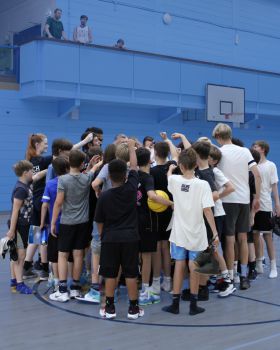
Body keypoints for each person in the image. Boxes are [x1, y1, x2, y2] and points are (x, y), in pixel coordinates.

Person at [162, 148, 219, 315]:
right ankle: (193, 305)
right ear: (196, 165)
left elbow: (169, 178)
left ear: (180, 165)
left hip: (178, 232)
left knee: (179, 264)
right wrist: (215, 233)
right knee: (195, 266)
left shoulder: (174, 180)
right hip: (197, 233)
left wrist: (171, 170)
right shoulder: (203, 185)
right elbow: (207, 210)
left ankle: (175, 304)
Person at [95, 139, 144, 320]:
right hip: (131, 238)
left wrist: (102, 234)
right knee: (131, 274)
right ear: (125, 175)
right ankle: (133, 308)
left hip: (110, 239)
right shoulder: (131, 189)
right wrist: (131, 147)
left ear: (108, 177)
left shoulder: (104, 196)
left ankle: (109, 308)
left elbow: (99, 220)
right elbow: (134, 167)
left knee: (110, 273)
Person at [212, 123, 261, 290]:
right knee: (243, 238)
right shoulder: (245, 151)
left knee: (230, 240)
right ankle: (244, 276)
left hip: (227, 200)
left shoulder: (219, 153)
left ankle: (231, 277)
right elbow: (257, 174)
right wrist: (257, 198)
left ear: (218, 136)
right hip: (244, 200)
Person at [49, 150, 101, 302]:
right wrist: (95, 164)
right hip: (83, 223)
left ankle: (63, 289)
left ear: (68, 162)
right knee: (78, 255)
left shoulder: (63, 180)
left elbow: (58, 202)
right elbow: (92, 171)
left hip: (66, 222)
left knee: (63, 255)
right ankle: (75, 289)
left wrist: (53, 222)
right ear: (81, 164)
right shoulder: (86, 178)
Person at [136, 147, 173, 306]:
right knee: (152, 253)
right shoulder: (149, 177)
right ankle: (149, 289)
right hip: (151, 219)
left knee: (143, 254)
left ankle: (149, 286)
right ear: (149, 160)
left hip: (136, 219)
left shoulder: (132, 174)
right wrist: (171, 203)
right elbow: (152, 196)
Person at [6, 160, 47, 294]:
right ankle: (19, 284)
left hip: (23, 226)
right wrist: (12, 230)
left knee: (16, 256)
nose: (33, 173)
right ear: (25, 173)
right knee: (21, 256)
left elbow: (37, 176)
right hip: (18, 227)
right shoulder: (20, 189)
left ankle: (14, 280)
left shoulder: (26, 183)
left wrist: (51, 168)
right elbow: (15, 212)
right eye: (31, 171)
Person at [23, 133, 52, 280]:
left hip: (35, 201)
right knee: (43, 236)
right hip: (41, 202)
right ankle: (45, 268)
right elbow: (67, 151)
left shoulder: (31, 160)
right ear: (37, 144)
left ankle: (27, 266)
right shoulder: (42, 160)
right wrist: (84, 141)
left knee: (35, 235)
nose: (47, 145)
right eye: (45, 143)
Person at [40, 157, 70, 291]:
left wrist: (42, 223)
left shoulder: (50, 184)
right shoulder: (71, 182)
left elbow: (45, 205)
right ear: (68, 168)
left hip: (55, 226)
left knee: (55, 257)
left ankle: (58, 281)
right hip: (70, 223)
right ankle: (70, 281)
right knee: (69, 255)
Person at [252, 140, 280, 278]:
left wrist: (278, 205)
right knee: (256, 234)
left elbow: (274, 187)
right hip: (253, 206)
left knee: (268, 236)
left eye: (255, 146)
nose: (253, 148)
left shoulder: (271, 166)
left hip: (266, 205)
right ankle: (258, 263)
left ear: (262, 149)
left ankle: (273, 266)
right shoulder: (252, 166)